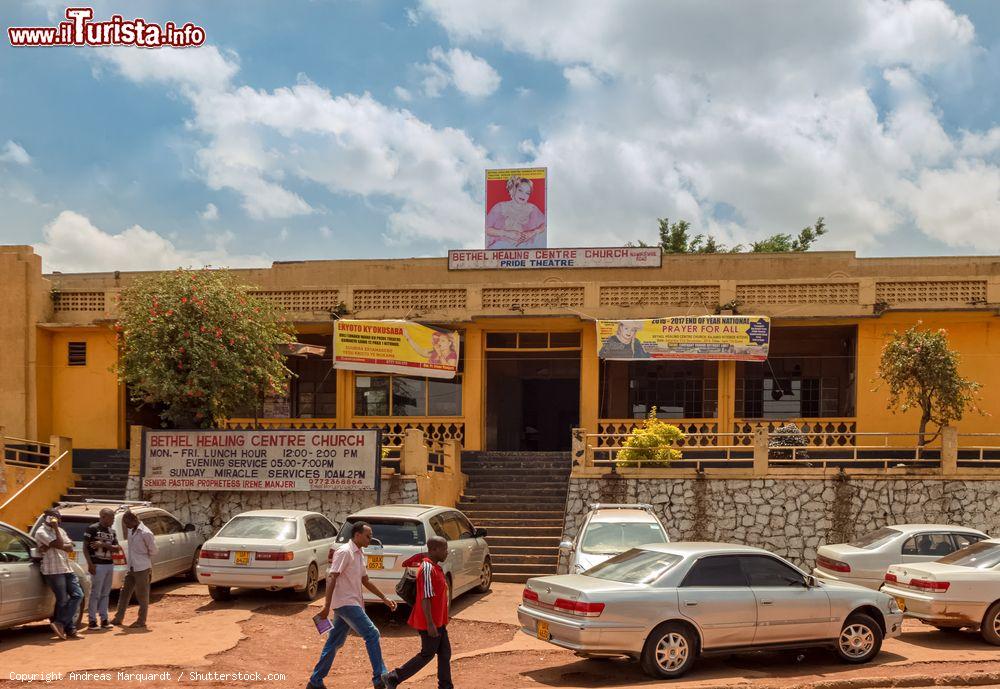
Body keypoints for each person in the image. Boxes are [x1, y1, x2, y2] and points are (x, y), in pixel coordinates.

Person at [308, 522, 398, 689]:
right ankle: (380, 678)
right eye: (368, 536)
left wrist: (384, 598)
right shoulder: (344, 552)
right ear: (357, 535)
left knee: (334, 642)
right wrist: (326, 606)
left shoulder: (359, 553)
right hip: (346, 603)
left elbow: (365, 580)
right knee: (372, 633)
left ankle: (315, 681)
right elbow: (332, 578)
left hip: (351, 603)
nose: (371, 539)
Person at [381, 536, 452, 689]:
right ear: (434, 550)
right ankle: (393, 677)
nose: (447, 552)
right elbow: (425, 598)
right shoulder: (427, 569)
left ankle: (445, 686)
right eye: (444, 549)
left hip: (438, 621)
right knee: (427, 654)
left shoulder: (436, 567)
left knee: (445, 653)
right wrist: (430, 624)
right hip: (429, 621)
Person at [34, 508, 84, 639]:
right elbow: (60, 543)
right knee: (62, 600)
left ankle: (60, 623)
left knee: (78, 595)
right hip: (53, 570)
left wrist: (54, 544)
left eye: (59, 517)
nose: (58, 520)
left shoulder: (61, 530)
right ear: (47, 518)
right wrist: (56, 534)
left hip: (66, 567)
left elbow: (70, 547)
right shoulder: (41, 531)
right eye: (55, 517)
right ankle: (70, 630)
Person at [111, 511, 156, 629]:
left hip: (142, 567)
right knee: (124, 592)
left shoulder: (146, 533)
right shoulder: (131, 531)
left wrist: (142, 557)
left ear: (133, 520)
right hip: (131, 567)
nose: (126, 526)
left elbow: (153, 550)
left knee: (142, 595)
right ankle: (118, 618)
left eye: (127, 523)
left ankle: (141, 620)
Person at [83, 507, 121, 630]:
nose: (113, 520)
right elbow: (85, 547)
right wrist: (90, 564)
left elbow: (117, 548)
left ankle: (104, 619)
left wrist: (103, 544)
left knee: (105, 593)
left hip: (109, 564)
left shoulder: (112, 531)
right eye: (112, 517)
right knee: (95, 593)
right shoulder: (93, 529)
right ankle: (92, 621)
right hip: (97, 564)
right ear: (104, 516)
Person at [485, 175, 546, 249]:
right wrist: (506, 233)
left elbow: (544, 225)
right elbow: (487, 229)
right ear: (514, 190)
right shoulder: (500, 207)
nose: (523, 195)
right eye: (520, 190)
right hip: (501, 249)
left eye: (527, 193)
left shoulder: (532, 208)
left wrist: (532, 232)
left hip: (526, 250)